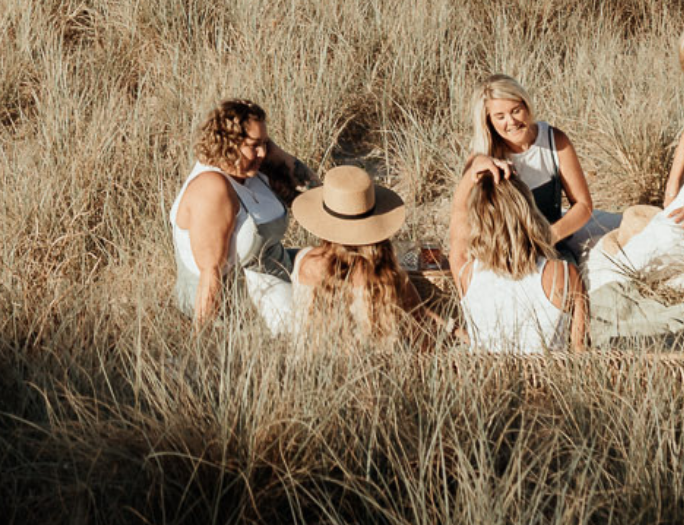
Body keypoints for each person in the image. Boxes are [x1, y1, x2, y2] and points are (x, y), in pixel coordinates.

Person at [587, 25, 684, 293]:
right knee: (642, 243)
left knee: (669, 242)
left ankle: (620, 288)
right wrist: (672, 186)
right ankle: (604, 289)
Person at [169, 98, 317, 332]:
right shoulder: (212, 188)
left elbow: (313, 195)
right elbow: (211, 273)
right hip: (239, 298)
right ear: (228, 143)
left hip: (277, 267)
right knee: (319, 322)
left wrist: (273, 151)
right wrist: (201, 340)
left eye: (265, 143)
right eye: (254, 145)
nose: (262, 152)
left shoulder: (250, 168)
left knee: (345, 267)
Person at [449, 74, 615, 265]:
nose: (511, 121)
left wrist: (548, 237)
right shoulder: (483, 155)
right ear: (489, 121)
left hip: (552, 242)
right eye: (500, 117)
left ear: (526, 106)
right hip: (503, 252)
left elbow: (583, 205)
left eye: (516, 110)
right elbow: (461, 215)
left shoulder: (554, 140)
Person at [290, 164, 426, 346]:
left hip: (311, 363)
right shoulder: (388, 275)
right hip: (378, 364)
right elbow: (422, 328)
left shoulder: (305, 262)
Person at [453, 173, 588, 354]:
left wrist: (476, 168)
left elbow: (458, 213)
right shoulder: (563, 273)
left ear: (478, 222)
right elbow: (580, 353)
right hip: (547, 372)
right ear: (529, 213)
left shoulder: (466, 273)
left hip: (484, 371)